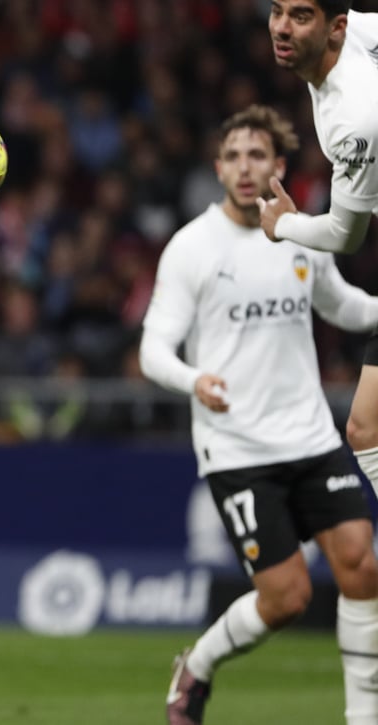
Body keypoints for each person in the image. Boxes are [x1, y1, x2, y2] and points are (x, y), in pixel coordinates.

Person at [140, 105, 378, 725]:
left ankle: (364, 716)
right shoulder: (192, 247)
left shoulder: (299, 234)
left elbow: (343, 306)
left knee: (361, 564)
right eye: (234, 156)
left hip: (311, 436)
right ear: (219, 169)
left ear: (279, 165)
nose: (245, 168)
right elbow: (153, 350)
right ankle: (197, 665)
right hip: (239, 448)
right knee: (287, 598)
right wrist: (194, 380)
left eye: (257, 155)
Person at [260, 1, 378, 536]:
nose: (282, 28)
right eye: (277, 11)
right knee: (366, 429)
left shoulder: (354, 116)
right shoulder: (360, 34)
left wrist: (283, 224)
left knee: (367, 429)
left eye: (301, 16)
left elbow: (345, 236)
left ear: (336, 27)